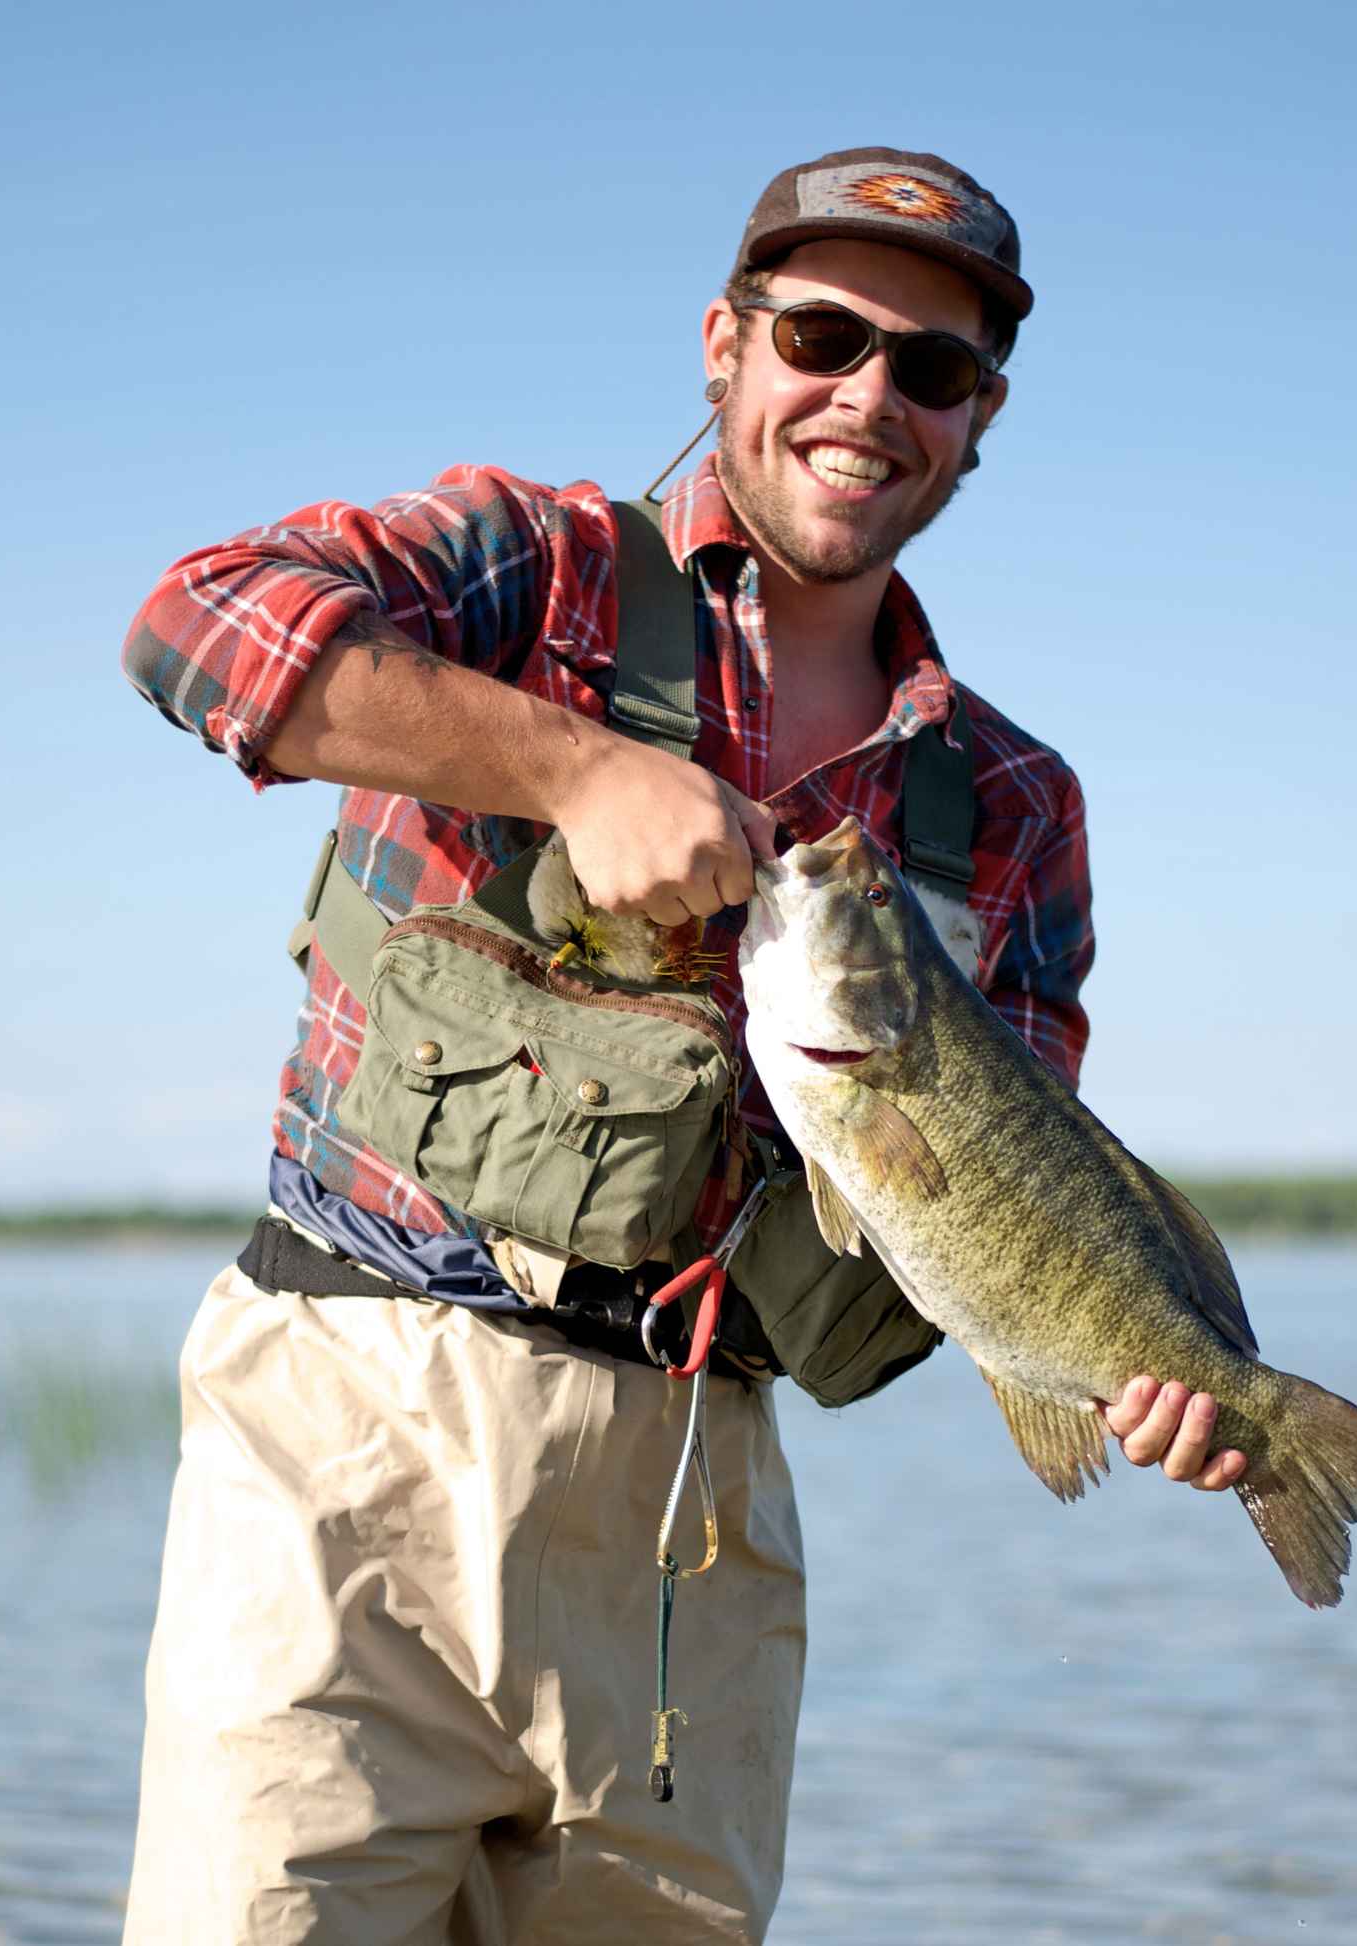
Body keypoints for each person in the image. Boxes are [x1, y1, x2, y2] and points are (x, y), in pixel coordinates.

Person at [119, 145, 1246, 1945]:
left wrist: (1154, 1369)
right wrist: (575, 767)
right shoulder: (537, 571)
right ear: (725, 345)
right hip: (352, 1425)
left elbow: (1012, 1198)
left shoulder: (1017, 802)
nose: (869, 396)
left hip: (700, 1510)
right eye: (822, 333)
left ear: (979, 423)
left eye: (933, 370)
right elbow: (202, 623)